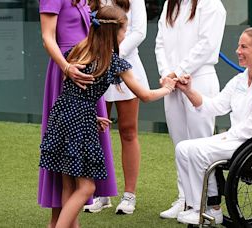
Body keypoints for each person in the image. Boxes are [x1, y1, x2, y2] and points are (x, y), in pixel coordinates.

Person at [38, 6, 176, 228]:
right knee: (87, 188)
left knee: (68, 186)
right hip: (79, 123)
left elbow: (71, 94)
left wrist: (90, 116)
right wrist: (167, 88)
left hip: (60, 117)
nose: (125, 35)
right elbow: (145, 95)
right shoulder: (113, 62)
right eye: (124, 31)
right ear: (115, 33)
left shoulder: (76, 51)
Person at [172, 27, 252, 225]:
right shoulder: (239, 79)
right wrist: (188, 90)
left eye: (244, 46)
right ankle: (198, 206)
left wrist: (225, 136)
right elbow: (215, 106)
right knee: (183, 148)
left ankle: (211, 207)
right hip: (236, 138)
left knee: (198, 151)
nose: (237, 50)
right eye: (238, 45)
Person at [38, 0, 118, 226]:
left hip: (88, 71)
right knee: (64, 157)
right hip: (66, 71)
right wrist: (67, 67)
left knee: (74, 168)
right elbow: (48, 38)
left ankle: (64, 223)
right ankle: (59, 221)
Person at [155, 0, 226, 219]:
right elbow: (160, 43)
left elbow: (206, 44)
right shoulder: (170, 4)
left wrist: (178, 72)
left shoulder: (212, 5)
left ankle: (211, 205)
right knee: (180, 144)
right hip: (172, 84)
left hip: (200, 79)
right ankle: (186, 199)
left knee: (201, 143)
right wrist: (168, 73)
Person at [83, 0, 149, 215]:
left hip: (126, 67)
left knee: (128, 131)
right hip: (98, 66)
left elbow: (139, 32)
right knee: (97, 130)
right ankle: (103, 192)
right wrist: (100, 56)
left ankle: (129, 195)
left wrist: (113, 54)